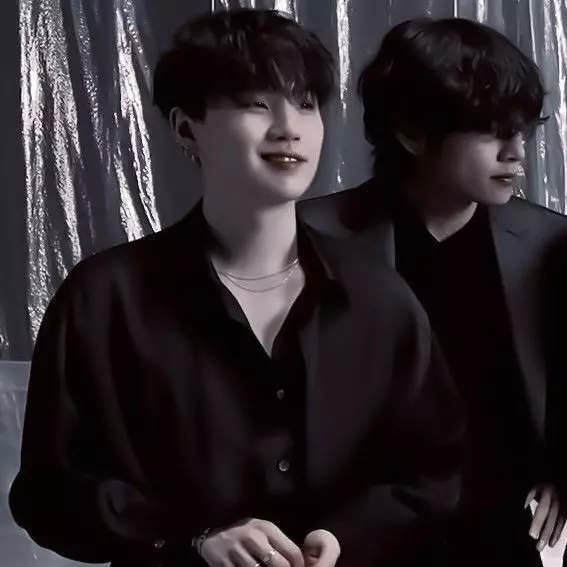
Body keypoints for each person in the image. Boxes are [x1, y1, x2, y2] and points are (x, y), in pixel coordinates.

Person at [9, 9, 463, 567]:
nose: (289, 126)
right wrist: (192, 536)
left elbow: (435, 471)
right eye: (256, 103)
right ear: (186, 128)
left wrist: (347, 537)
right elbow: (48, 493)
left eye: (305, 103)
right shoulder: (104, 300)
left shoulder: (379, 297)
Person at [299, 16, 567, 567]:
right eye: (492, 130)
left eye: (522, 130)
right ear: (413, 133)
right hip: (352, 542)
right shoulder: (310, 238)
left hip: (500, 538)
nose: (517, 152)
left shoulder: (549, 242)